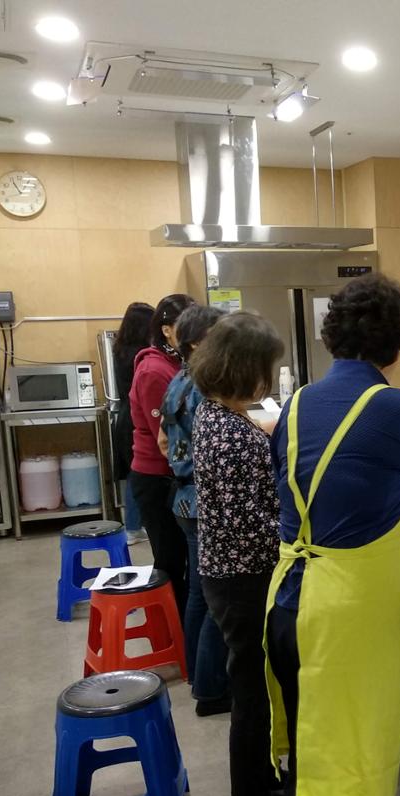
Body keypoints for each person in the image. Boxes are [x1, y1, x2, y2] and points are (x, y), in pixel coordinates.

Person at [265, 273, 400, 796]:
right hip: (347, 619)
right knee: (354, 772)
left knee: (307, 762)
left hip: (287, 601)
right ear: (399, 344)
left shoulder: (296, 404)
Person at [189, 312, 286, 796]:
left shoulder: (217, 413)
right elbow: (248, 526)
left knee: (252, 682)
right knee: (251, 689)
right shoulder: (229, 434)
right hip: (242, 577)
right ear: (247, 368)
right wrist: (298, 532)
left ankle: (262, 780)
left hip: (227, 569)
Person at [160, 305, 230, 717]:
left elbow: (165, 440)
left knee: (199, 593)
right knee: (214, 597)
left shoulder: (178, 381)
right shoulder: (204, 387)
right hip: (203, 499)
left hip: (184, 499)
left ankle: (196, 673)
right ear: (194, 344)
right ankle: (210, 686)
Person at [129, 292, 195, 615]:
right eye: (186, 326)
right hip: (157, 477)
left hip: (172, 474)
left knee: (184, 558)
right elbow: (166, 439)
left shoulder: (177, 363)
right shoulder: (154, 371)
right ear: (166, 329)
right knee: (170, 561)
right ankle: (173, 633)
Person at [111, 301, 154, 545]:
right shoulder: (141, 355)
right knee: (138, 474)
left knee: (134, 473)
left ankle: (135, 525)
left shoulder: (120, 350)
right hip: (136, 418)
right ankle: (133, 527)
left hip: (126, 416)